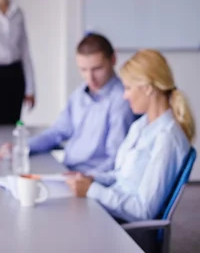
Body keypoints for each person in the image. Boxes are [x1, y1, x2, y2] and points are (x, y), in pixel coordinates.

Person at [66, 49, 194, 223]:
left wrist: (92, 190)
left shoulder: (167, 138)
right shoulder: (139, 126)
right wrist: (91, 178)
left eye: (128, 88)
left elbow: (143, 210)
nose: (124, 95)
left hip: (125, 227)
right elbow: (121, 176)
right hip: (112, 214)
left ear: (148, 88)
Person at [0, 33, 135, 173]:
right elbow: (57, 132)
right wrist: (22, 148)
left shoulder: (122, 100)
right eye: (83, 70)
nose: (90, 78)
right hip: (68, 170)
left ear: (113, 59)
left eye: (97, 69)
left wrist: (87, 179)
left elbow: (116, 159)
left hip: (92, 178)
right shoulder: (80, 94)